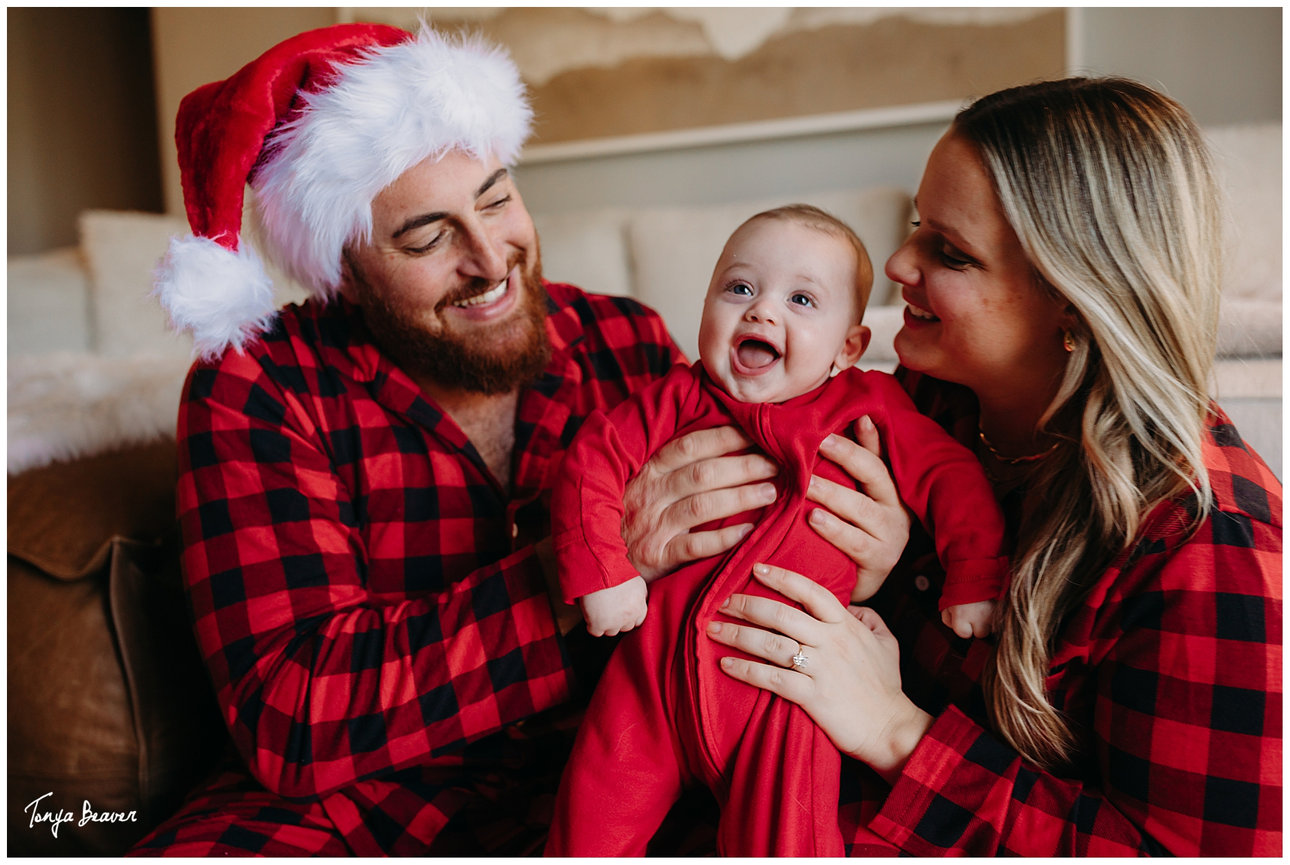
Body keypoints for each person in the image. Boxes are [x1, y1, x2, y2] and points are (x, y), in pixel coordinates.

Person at [123, 22, 805, 856]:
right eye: (426, 236)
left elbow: (740, 565)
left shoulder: (624, 341)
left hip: (620, 774)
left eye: (495, 199)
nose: (491, 258)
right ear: (346, 265)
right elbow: (293, 715)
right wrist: (585, 561)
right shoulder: (260, 385)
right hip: (367, 801)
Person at [703, 77, 1282, 856]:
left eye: (949, 252)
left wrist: (897, 732)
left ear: (1076, 302)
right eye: (915, 226)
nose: (897, 262)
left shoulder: (1212, 548)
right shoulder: (923, 401)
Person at [544, 205, 1008, 856]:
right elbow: (593, 458)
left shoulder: (867, 403)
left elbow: (948, 475)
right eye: (739, 288)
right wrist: (603, 570)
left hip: (784, 679)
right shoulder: (675, 397)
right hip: (651, 673)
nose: (762, 312)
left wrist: (974, 573)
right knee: (592, 812)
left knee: (787, 833)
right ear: (703, 305)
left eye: (801, 299)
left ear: (847, 349)